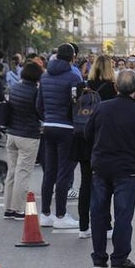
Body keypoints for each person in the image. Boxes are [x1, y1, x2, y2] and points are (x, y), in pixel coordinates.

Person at [85, 69, 135, 268]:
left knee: (98, 213)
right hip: (126, 169)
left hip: (101, 166)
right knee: (123, 215)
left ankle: (99, 258)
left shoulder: (101, 108)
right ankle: (119, 257)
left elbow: (88, 134)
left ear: (116, 87)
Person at [37, 43, 84, 228]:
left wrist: (47, 117)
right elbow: (77, 103)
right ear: (73, 57)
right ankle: (61, 215)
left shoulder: (45, 75)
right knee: (64, 172)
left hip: (48, 126)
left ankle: (45, 213)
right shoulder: (73, 76)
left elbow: (38, 104)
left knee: (49, 171)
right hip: (66, 128)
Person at [74, 55, 118, 238]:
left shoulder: (83, 86)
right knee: (104, 184)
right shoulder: (112, 88)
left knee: (85, 183)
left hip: (82, 138)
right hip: (102, 141)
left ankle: (83, 227)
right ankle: (105, 225)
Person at [2, 61, 43, 219]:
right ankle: (19, 209)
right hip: (28, 135)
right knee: (23, 172)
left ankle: (8, 208)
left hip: (12, 133)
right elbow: (40, 112)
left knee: (12, 172)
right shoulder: (35, 92)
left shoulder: (15, 88)